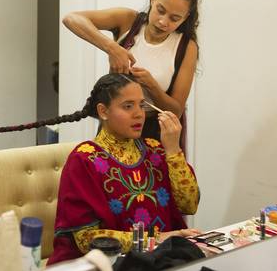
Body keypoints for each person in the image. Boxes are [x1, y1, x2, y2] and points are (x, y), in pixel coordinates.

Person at [46, 73, 200, 265]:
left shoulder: (155, 149)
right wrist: (158, 238)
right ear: (103, 111)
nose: (139, 114)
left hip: (159, 260)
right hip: (105, 264)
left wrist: (173, 149)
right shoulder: (84, 158)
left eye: (141, 105)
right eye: (128, 106)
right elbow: (87, 239)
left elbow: (189, 205)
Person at [62, 0, 201, 141]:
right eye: (160, 10)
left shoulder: (186, 47)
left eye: (174, 18)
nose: (163, 22)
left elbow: (176, 111)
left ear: (185, 18)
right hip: (116, 125)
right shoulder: (128, 21)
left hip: (155, 134)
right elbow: (72, 19)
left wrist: (152, 86)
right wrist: (112, 48)